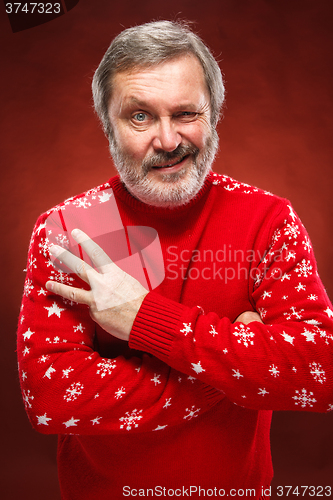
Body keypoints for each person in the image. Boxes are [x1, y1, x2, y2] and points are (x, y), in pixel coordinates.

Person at [17, 20, 333, 500]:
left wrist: (145, 319)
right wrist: (228, 375)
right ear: (108, 125)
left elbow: (319, 369)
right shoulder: (65, 229)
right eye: (140, 117)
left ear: (214, 115)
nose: (168, 141)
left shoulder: (267, 219)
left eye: (186, 113)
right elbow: (50, 396)